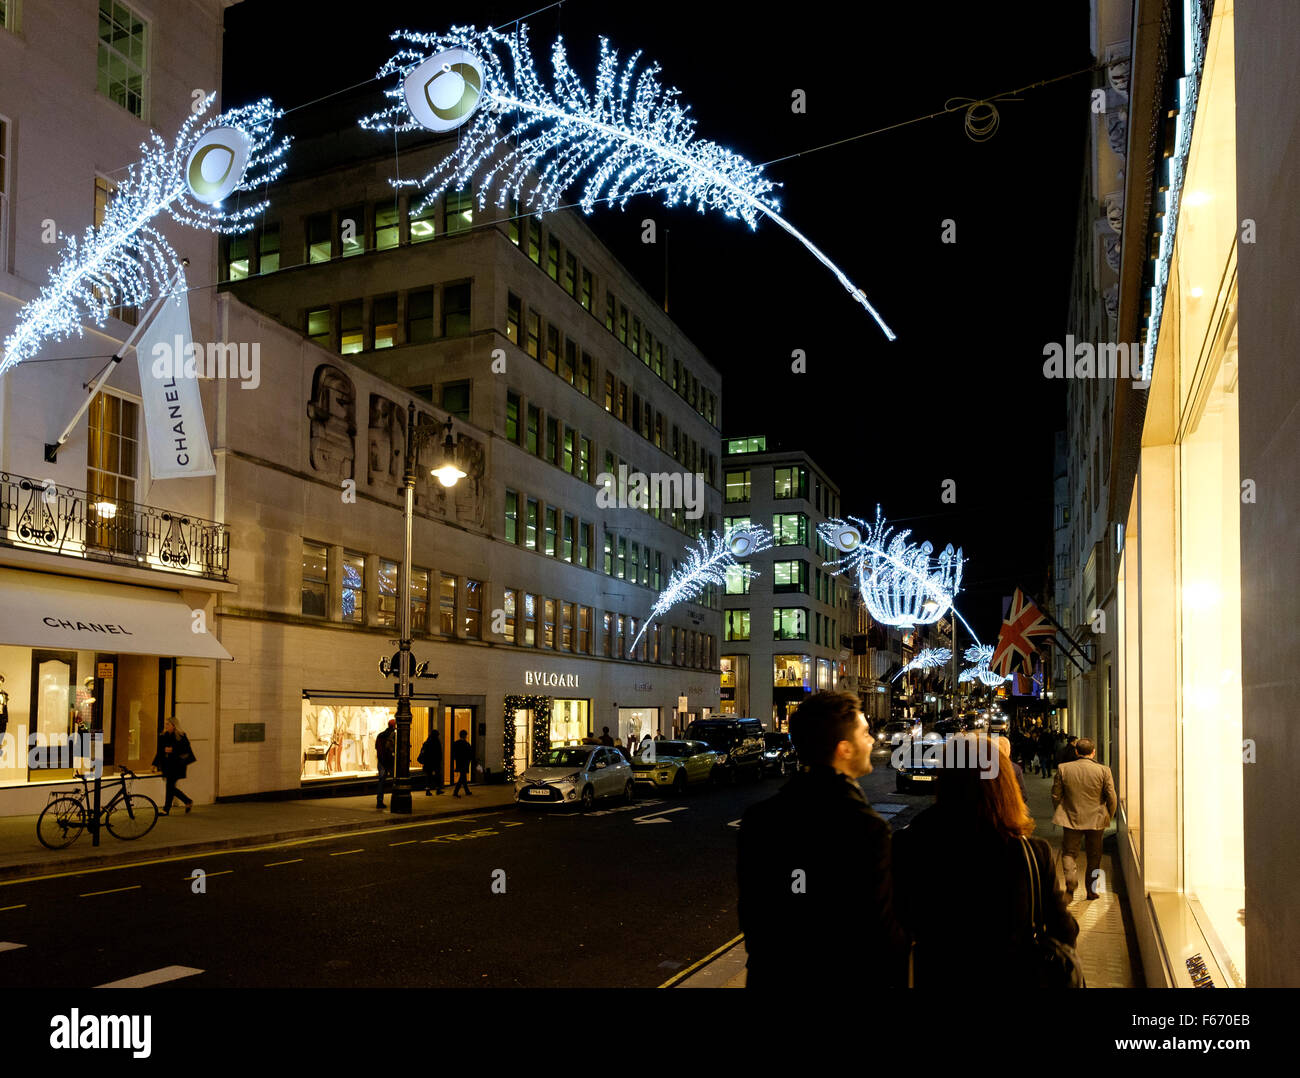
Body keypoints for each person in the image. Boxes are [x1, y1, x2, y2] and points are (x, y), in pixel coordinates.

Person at [737, 691, 906, 988]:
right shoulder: (866, 828)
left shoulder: (758, 820)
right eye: (865, 733)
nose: (871, 741)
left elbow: (753, 916)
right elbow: (878, 933)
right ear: (844, 749)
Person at [893, 734, 1079, 986]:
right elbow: (1063, 929)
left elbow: (896, 923)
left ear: (945, 780)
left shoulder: (909, 844)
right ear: (1004, 784)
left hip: (937, 975)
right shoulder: (1032, 854)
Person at [1052, 737, 1117, 900]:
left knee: (1068, 853)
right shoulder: (1103, 770)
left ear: (1076, 752)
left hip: (1071, 818)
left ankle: (1071, 883)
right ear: (1093, 752)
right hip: (1096, 819)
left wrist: (1061, 809)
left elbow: (1055, 794)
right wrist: (1109, 814)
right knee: (1095, 855)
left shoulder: (1063, 768)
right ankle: (1091, 890)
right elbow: (1112, 797)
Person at [152, 718, 195, 815]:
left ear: (174, 725)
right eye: (165, 724)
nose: (166, 726)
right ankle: (187, 801)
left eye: (168, 724)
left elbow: (186, 749)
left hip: (178, 765)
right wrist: (154, 764)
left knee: (170, 786)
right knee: (171, 787)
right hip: (167, 765)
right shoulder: (163, 736)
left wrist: (173, 750)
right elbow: (159, 751)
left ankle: (166, 809)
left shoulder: (181, 736)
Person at [375, 718, 396, 808]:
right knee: (395, 781)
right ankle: (395, 799)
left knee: (381, 782)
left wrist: (381, 759)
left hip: (381, 762)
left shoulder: (380, 735)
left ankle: (379, 801)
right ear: (394, 726)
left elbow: (377, 747)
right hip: (390, 762)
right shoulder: (394, 736)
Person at [417, 728, 443, 795]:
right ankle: (438, 789)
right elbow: (439, 753)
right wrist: (439, 760)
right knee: (437, 775)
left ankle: (428, 790)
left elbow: (423, 751)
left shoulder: (427, 742)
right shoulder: (437, 742)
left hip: (427, 762)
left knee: (428, 776)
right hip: (435, 762)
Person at [451, 729, 474, 797]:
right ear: (464, 735)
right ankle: (456, 791)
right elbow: (470, 754)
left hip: (459, 762)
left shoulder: (456, 743)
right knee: (462, 777)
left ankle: (467, 791)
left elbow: (454, 753)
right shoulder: (466, 744)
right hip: (465, 762)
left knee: (463, 777)